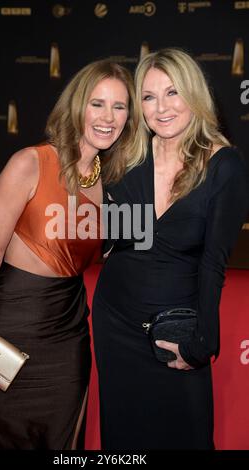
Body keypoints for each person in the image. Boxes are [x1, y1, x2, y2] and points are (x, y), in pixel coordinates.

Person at [0, 59, 144, 449]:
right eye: (97, 104)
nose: (108, 117)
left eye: (120, 106)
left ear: (129, 116)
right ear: (77, 106)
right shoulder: (29, 164)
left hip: (68, 338)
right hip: (13, 331)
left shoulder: (111, 184)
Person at [92, 48, 249, 450]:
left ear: (194, 95)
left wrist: (203, 344)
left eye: (172, 93)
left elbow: (214, 263)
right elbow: (111, 234)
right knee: (124, 441)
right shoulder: (127, 156)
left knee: (188, 435)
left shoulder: (223, 165)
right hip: (115, 323)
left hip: (173, 332)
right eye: (148, 97)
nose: (160, 108)